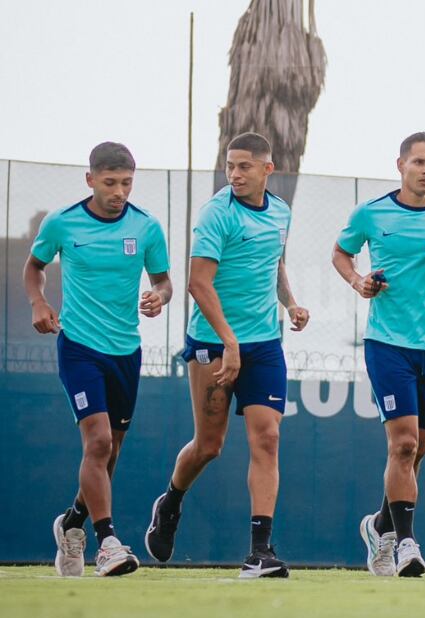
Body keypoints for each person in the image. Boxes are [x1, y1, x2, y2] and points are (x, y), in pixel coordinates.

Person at [145, 132, 310, 579]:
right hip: (212, 343)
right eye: (230, 166)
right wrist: (230, 344)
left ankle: (260, 552)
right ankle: (171, 502)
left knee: (268, 439)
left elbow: (272, 263)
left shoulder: (280, 212)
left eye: (244, 167)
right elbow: (198, 284)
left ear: (266, 169)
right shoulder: (216, 213)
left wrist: (290, 302)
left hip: (264, 344)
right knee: (210, 446)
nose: (234, 174)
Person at [333, 132, 425, 577]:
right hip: (386, 344)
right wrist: (359, 281)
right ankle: (405, 544)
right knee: (403, 443)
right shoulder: (372, 212)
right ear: (400, 165)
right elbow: (341, 253)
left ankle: (379, 525)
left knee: (419, 449)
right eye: (419, 162)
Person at [25, 142, 171, 577]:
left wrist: (158, 298)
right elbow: (35, 267)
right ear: (90, 179)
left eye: (126, 183)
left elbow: (163, 280)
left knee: (111, 452)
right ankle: (107, 542)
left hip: (126, 351)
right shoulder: (62, 223)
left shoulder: (146, 227)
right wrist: (38, 303)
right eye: (110, 183)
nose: (119, 192)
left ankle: (71, 523)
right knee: (99, 442)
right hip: (79, 347)